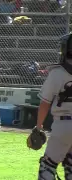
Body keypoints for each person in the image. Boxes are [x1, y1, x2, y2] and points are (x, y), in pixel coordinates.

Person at [35, 33, 72, 180]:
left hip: (63, 124)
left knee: (48, 166)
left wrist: (38, 127)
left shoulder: (57, 73)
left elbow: (45, 103)